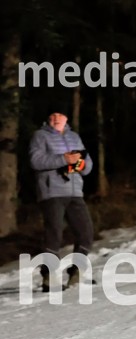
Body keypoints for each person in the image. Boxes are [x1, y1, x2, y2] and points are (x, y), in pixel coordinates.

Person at [28, 109, 95, 291]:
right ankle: (49, 277)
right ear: (48, 119)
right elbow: (36, 161)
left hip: (75, 191)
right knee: (54, 233)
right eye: (53, 115)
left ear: (66, 118)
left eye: (60, 115)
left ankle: (77, 272)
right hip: (52, 191)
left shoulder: (74, 136)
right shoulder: (40, 136)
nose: (57, 118)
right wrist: (63, 159)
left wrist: (80, 164)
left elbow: (88, 164)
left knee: (86, 232)